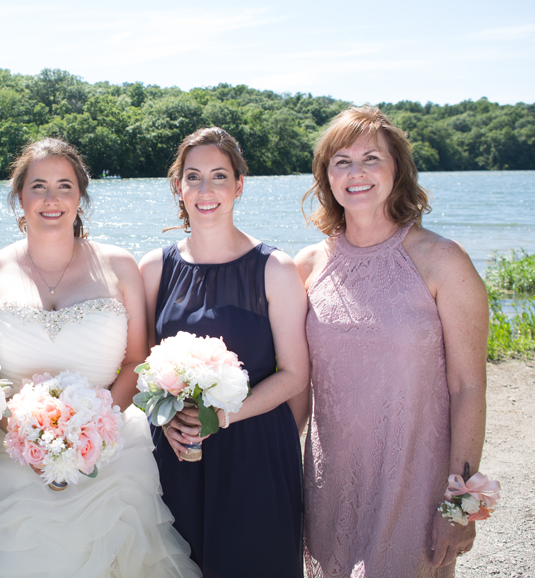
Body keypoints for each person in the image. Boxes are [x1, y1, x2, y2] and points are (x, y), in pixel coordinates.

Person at [0, 138, 200, 578]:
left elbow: (136, 361)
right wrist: (32, 436)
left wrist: (93, 430)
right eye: (38, 186)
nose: (51, 199)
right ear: (18, 196)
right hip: (6, 460)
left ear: (81, 196)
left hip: (109, 460)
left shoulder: (120, 266)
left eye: (64, 186)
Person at [293, 106, 488, 577]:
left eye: (371, 158)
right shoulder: (307, 265)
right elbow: (298, 389)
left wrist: (459, 504)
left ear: (397, 169)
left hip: (414, 486)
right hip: (330, 483)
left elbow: (468, 388)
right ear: (326, 176)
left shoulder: (442, 260)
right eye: (341, 161)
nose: (356, 173)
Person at [139, 127, 310, 577]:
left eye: (219, 176)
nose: (205, 189)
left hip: (255, 450)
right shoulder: (154, 268)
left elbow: (295, 374)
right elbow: (139, 370)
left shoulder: (274, 268)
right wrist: (167, 418)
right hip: (177, 448)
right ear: (178, 186)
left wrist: (228, 416)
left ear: (238, 185)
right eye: (193, 177)